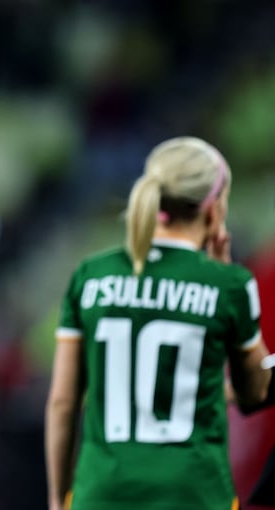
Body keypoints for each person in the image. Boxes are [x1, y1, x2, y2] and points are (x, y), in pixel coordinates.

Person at [44, 135, 273, 510]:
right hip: (195, 495)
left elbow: (63, 403)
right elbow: (254, 393)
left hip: (102, 494)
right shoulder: (229, 285)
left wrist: (57, 498)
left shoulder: (90, 275)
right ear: (213, 210)